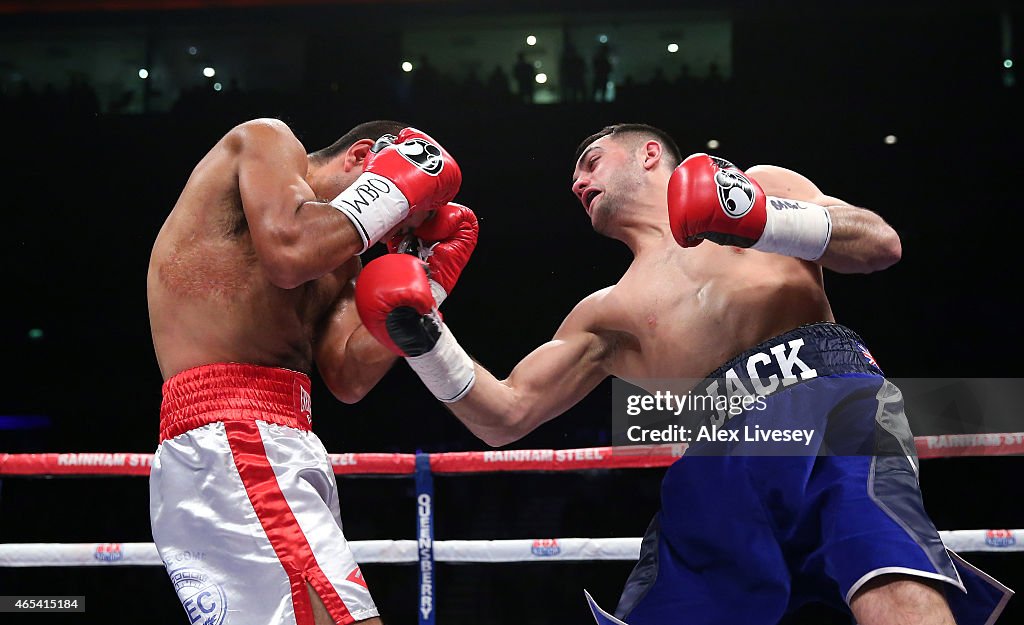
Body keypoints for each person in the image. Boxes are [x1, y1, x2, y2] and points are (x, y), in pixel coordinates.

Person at [353, 123, 1012, 625]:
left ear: (647, 154)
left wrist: (756, 215)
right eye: (574, 177)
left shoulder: (761, 185)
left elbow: (877, 244)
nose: (578, 182)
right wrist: (423, 336)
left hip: (828, 399)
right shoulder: (606, 312)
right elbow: (504, 414)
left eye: (590, 162)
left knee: (891, 577)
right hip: (718, 450)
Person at [147, 117, 475, 625]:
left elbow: (347, 377)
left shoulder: (342, 260)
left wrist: (428, 282)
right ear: (364, 158)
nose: (392, 231)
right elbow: (288, 254)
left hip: (279, 439)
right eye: (400, 210)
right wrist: (396, 192)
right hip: (239, 438)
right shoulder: (266, 141)